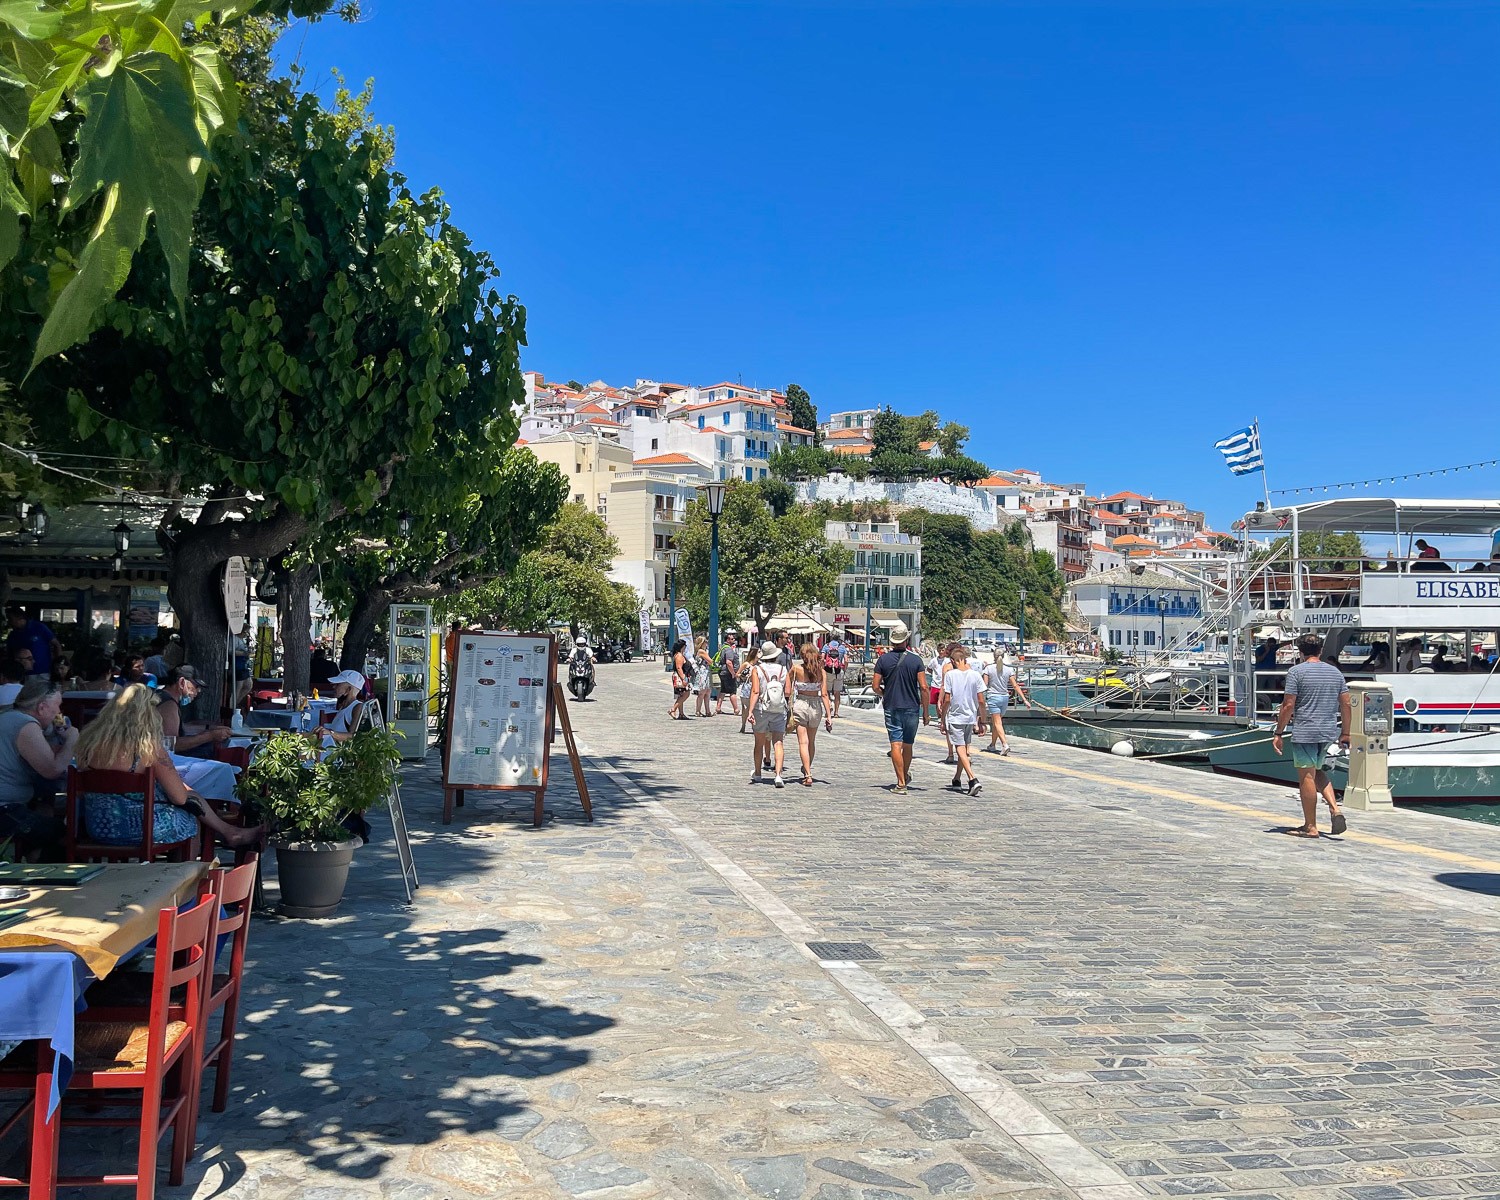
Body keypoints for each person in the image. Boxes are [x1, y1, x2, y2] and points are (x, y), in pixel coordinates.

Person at [75, 684, 262, 853]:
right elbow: (179, 797)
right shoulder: (148, 749)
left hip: (97, 825)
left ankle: (229, 831)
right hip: (140, 828)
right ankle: (186, 879)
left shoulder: (88, 744)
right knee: (191, 815)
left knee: (188, 794)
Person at [1272, 633, 1350, 839]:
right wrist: (1346, 732)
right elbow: (1346, 704)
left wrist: (1279, 732)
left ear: (1300, 651)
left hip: (1306, 730)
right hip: (1328, 731)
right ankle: (1335, 808)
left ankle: (1310, 826)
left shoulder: (1296, 672)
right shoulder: (1335, 673)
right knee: (1316, 771)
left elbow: (1288, 705)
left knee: (1306, 776)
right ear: (1321, 651)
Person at [0, 681, 75, 859]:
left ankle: (33, 860)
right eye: (57, 706)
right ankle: (46, 876)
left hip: (11, 805)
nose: (59, 712)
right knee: (63, 833)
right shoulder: (26, 725)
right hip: (5, 809)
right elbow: (53, 770)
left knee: (44, 805)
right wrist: (73, 738)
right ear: (42, 707)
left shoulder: (9, 717)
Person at [872, 621, 928, 796]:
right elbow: (924, 687)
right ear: (906, 640)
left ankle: (901, 782)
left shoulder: (883, 659)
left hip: (892, 706)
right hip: (911, 706)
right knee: (908, 744)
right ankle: (903, 775)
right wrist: (926, 711)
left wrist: (885, 693)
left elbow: (875, 686)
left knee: (895, 744)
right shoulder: (916, 660)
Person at [939, 645, 987, 795]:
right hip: (970, 716)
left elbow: (947, 699)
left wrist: (942, 718)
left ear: (953, 661)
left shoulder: (950, 675)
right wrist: (983, 720)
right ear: (965, 659)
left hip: (955, 716)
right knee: (964, 750)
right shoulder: (975, 675)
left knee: (959, 748)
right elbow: (981, 700)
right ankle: (957, 779)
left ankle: (973, 779)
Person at [154, 666, 232, 756]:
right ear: (182, 682)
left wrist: (209, 728)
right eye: (196, 686)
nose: (198, 690)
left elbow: (182, 728)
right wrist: (210, 736)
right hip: (164, 762)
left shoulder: (162, 696)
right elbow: (171, 744)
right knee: (207, 749)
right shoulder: (169, 705)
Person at [788, 643, 834, 787]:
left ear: (802, 655)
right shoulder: (821, 672)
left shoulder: (796, 669)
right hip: (816, 706)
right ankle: (807, 767)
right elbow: (825, 694)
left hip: (800, 704)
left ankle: (807, 774)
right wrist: (829, 716)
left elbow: (787, 688)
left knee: (803, 742)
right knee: (811, 741)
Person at [747, 640, 790, 787]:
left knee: (759, 743)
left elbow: (755, 691)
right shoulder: (783, 670)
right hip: (779, 709)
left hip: (761, 709)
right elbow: (788, 691)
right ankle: (778, 775)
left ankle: (758, 773)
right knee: (778, 742)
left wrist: (750, 711)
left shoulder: (757, 669)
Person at [982, 653, 1028, 755]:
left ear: (994, 656)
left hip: (993, 697)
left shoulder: (988, 668)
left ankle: (1004, 744)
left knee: (998, 723)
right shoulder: (1008, 669)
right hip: (1004, 698)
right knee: (996, 723)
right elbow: (1015, 685)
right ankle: (992, 745)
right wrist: (1024, 699)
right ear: (1003, 657)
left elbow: (984, 685)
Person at [5, 606, 59, 681]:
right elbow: (10, 654)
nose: (9, 622)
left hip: (43, 672)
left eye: (10, 619)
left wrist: (57, 664)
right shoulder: (13, 635)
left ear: (19, 617)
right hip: (21, 674)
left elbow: (56, 644)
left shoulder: (39, 627)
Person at [321, 670, 370, 742]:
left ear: (349, 689)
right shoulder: (343, 705)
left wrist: (330, 733)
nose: (334, 687)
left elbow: (353, 736)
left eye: (338, 684)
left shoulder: (357, 707)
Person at [927, 642, 955, 764]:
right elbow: (928, 668)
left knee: (944, 704)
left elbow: (945, 685)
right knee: (938, 704)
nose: (942, 651)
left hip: (945, 688)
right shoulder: (934, 661)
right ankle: (941, 719)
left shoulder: (947, 664)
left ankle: (951, 753)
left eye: (944, 649)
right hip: (936, 684)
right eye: (940, 649)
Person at [822, 634, 848, 718]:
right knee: (837, 692)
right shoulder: (842, 647)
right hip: (838, 671)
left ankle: (828, 709)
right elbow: (846, 660)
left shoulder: (826, 646)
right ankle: (836, 713)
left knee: (827, 692)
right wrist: (844, 669)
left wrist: (822, 668)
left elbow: (822, 659)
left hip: (828, 671)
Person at [716, 633, 741, 716]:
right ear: (728, 640)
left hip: (722, 672)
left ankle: (718, 708)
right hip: (728, 673)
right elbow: (729, 662)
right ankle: (736, 709)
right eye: (732, 639)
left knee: (723, 690)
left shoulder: (722, 648)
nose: (734, 640)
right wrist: (733, 673)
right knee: (732, 691)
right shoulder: (729, 649)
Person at [737, 646, 760, 734]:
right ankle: (743, 725)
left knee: (755, 707)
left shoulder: (759, 665)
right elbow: (737, 674)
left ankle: (755, 726)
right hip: (747, 686)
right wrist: (744, 676)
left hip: (755, 686)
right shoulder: (746, 664)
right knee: (746, 707)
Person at [667, 639, 690, 720]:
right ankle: (673, 709)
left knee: (681, 695)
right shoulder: (679, 655)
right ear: (682, 647)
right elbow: (679, 667)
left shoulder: (677, 654)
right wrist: (684, 678)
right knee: (686, 693)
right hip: (680, 676)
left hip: (678, 676)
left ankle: (681, 713)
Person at [691, 636, 712, 716]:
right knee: (702, 692)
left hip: (706, 672)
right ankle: (698, 710)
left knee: (707, 692)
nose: (706, 643)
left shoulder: (703, 651)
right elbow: (710, 661)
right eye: (705, 642)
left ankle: (708, 711)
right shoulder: (701, 651)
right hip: (703, 673)